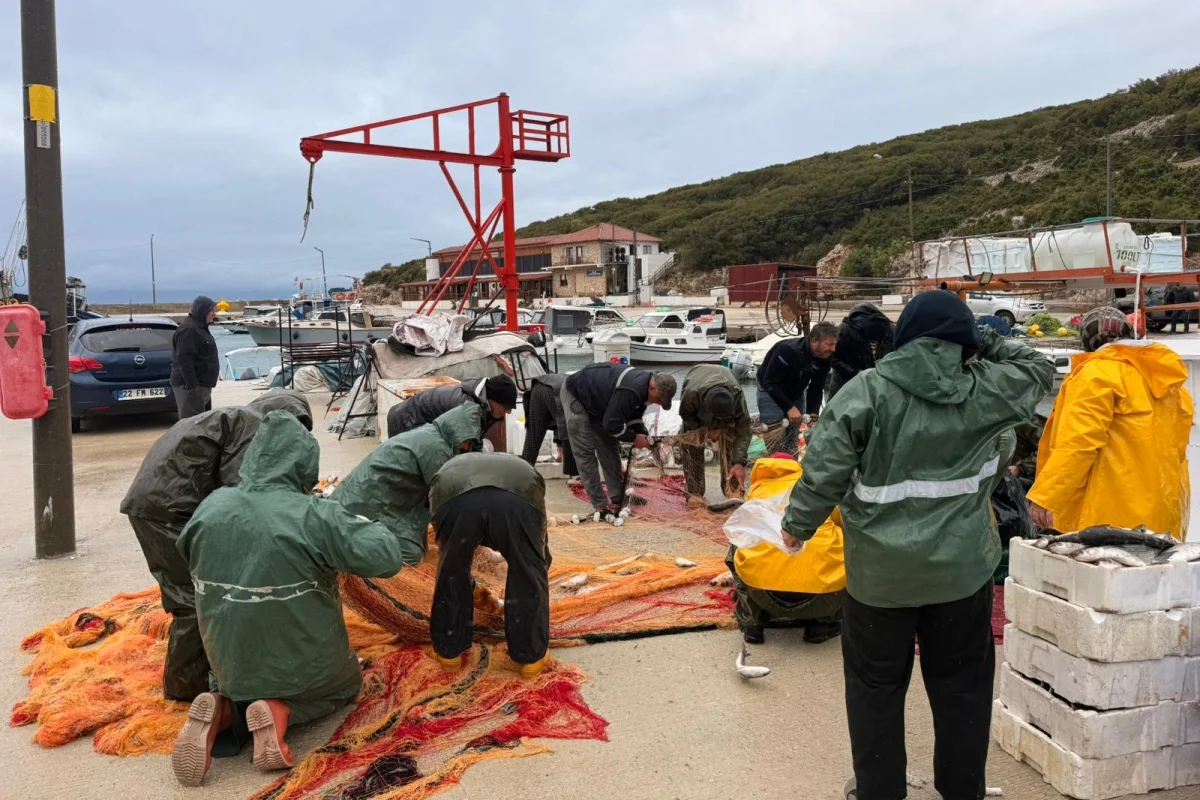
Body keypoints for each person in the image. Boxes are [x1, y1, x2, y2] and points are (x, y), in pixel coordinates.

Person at [780, 290, 1052, 800]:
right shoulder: (989, 389)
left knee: (875, 690)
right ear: (961, 342)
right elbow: (1037, 365)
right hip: (963, 575)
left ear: (903, 338)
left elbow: (823, 471)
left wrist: (797, 526)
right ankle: (961, 789)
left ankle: (879, 790)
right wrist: (981, 337)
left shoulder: (864, 392)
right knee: (963, 690)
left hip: (880, 583)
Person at [172, 411, 403, 787]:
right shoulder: (315, 515)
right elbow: (387, 558)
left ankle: (224, 708)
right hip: (304, 668)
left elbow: (187, 554)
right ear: (304, 464)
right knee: (345, 685)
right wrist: (359, 520)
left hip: (229, 665)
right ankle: (281, 712)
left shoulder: (213, 505)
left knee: (237, 677)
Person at [120, 390, 313, 701]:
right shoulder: (255, 427)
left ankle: (207, 669)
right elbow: (243, 492)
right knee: (195, 596)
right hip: (169, 512)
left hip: (159, 504)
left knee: (196, 590)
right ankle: (187, 688)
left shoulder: (235, 418)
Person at [1028, 306, 1192, 538]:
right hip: (1163, 513)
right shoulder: (1166, 378)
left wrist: (1046, 497)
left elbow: (1079, 443)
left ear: (1086, 341)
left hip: (1110, 517)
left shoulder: (1095, 375)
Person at [429, 452, 551, 678]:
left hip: (452, 497)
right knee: (527, 572)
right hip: (517, 500)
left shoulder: (448, 469)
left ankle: (449, 653)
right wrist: (535, 569)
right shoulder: (527, 475)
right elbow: (539, 553)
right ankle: (530, 657)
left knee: (452, 570)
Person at [333, 403, 482, 565]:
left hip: (374, 496)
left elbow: (426, 506)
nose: (466, 447)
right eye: (466, 441)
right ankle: (356, 558)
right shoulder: (437, 450)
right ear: (457, 432)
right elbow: (444, 506)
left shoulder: (432, 435)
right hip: (363, 504)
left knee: (417, 534)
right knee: (410, 554)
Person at [726, 454, 845, 644]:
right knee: (845, 542)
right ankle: (822, 624)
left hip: (763, 595)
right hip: (823, 599)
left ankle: (752, 622)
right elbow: (842, 523)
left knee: (739, 540)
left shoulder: (757, 490)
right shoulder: (816, 490)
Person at [560, 362, 677, 516]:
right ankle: (600, 504)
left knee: (609, 445)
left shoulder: (644, 389)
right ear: (653, 387)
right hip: (576, 395)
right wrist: (634, 438)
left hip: (599, 403)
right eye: (659, 399)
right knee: (586, 452)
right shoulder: (631, 390)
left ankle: (618, 495)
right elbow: (612, 425)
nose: (658, 403)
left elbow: (633, 416)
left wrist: (643, 434)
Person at [755, 322, 838, 456]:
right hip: (770, 389)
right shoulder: (787, 350)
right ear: (815, 341)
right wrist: (789, 407)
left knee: (792, 439)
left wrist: (812, 415)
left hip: (796, 391)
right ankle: (777, 463)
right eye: (829, 344)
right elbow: (770, 382)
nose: (833, 349)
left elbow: (816, 387)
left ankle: (791, 463)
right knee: (776, 441)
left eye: (834, 344)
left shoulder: (825, 357)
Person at [678, 364, 751, 505]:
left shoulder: (737, 398)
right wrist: (704, 430)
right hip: (697, 410)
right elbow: (686, 415)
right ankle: (695, 493)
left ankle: (732, 490)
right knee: (693, 445)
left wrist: (739, 462)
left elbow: (744, 432)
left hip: (726, 383)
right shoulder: (692, 393)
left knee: (732, 442)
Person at [386, 375, 516, 440]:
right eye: (505, 407)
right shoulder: (467, 406)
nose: (508, 412)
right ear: (493, 400)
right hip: (406, 419)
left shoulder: (484, 405)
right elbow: (460, 444)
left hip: (416, 417)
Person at [827, 304, 894, 400]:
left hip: (877, 381)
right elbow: (831, 357)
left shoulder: (890, 330)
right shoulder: (845, 330)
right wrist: (853, 372)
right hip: (844, 381)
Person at [171, 296, 220, 419]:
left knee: (203, 424)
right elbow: (185, 360)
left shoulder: (200, 327)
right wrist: (193, 388)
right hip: (191, 387)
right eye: (211, 311)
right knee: (192, 426)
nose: (214, 314)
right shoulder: (189, 329)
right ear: (202, 311)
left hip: (203, 386)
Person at [520, 373, 577, 477]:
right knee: (571, 431)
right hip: (556, 390)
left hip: (538, 386)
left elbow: (559, 428)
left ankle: (523, 475)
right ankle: (574, 475)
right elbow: (569, 430)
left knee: (533, 438)